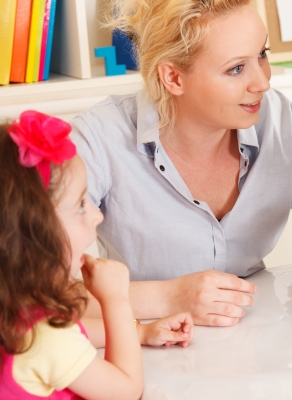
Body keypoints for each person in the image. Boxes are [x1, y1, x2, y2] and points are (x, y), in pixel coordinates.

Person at [71, 0, 292, 326]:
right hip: (144, 344)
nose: (262, 83)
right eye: (236, 69)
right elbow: (33, 289)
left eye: (262, 54)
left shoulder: (279, 119)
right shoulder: (99, 139)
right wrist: (169, 297)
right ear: (173, 77)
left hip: (259, 339)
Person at [0, 112, 193, 399]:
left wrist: (138, 333)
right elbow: (126, 391)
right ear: (34, 234)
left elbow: (71, 333)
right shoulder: (44, 338)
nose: (97, 215)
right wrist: (116, 300)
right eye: (80, 205)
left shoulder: (17, 311)